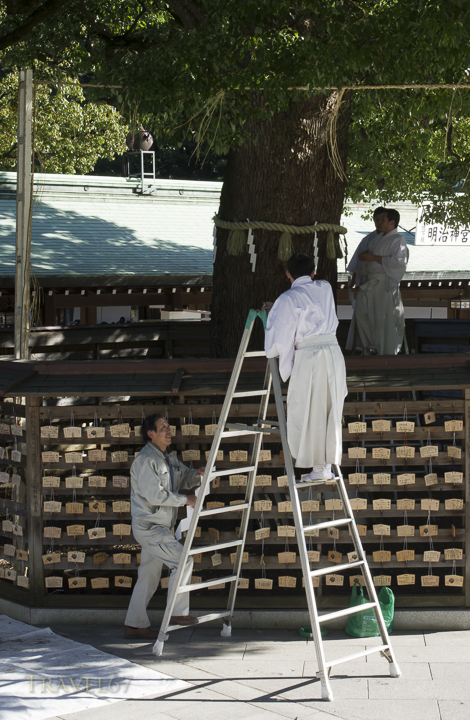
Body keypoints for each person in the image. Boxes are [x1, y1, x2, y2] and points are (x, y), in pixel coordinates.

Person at [264, 253, 347, 482]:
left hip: (311, 357)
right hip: (333, 352)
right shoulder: (325, 287)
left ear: (288, 274)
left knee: (311, 411)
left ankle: (321, 470)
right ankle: (324, 467)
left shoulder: (287, 299)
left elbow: (279, 338)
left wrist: (275, 311)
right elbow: (309, 306)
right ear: (313, 272)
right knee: (330, 408)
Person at [124, 414, 205, 638]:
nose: (168, 431)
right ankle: (177, 613)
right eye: (163, 428)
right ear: (151, 434)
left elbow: (183, 476)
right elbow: (154, 495)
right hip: (150, 527)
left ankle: (134, 625)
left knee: (148, 577)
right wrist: (186, 500)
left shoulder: (168, 458)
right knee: (183, 560)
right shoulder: (145, 460)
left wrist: (197, 475)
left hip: (158, 527)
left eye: (168, 426)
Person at [347, 208, 409, 356]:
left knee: (382, 318)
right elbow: (362, 258)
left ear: (392, 223)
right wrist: (364, 257)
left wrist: (374, 258)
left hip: (383, 284)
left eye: (382, 220)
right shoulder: (375, 238)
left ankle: (385, 350)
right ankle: (370, 346)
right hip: (369, 283)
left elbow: (398, 263)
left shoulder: (398, 240)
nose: (379, 223)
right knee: (362, 313)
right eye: (377, 220)